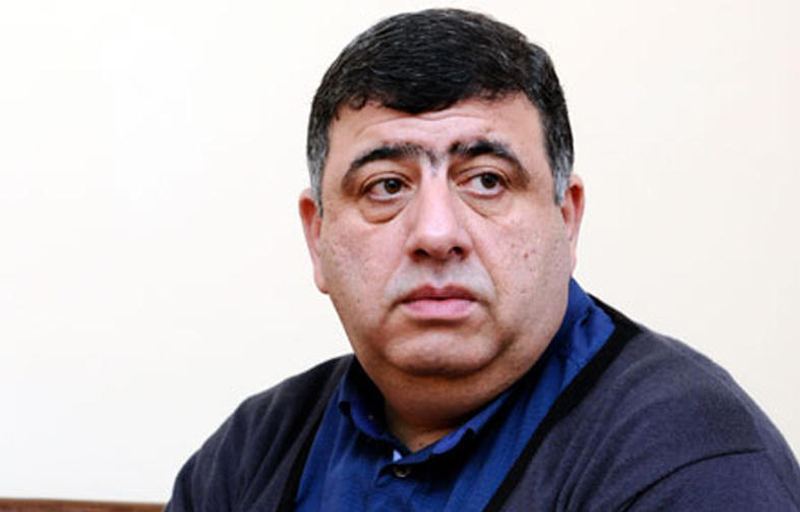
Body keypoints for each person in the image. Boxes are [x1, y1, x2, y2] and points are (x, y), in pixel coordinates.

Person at [166, 8, 800, 511]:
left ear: (566, 218)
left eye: (487, 181)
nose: (436, 233)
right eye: (386, 186)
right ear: (318, 237)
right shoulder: (249, 456)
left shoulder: (689, 459)